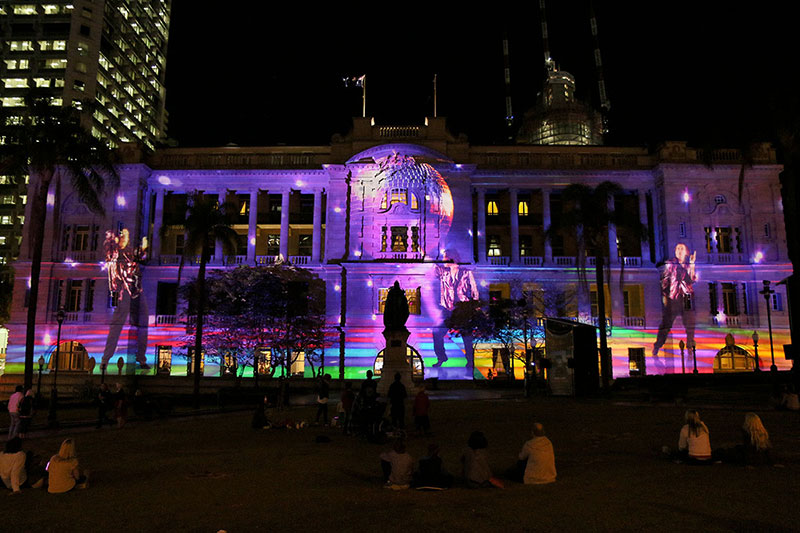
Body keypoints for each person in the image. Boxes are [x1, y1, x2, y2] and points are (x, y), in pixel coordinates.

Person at [653, 243, 696, 357]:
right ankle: (657, 345)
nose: (679, 251)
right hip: (674, 296)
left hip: (686, 296)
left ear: (686, 251)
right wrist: (664, 295)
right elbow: (665, 280)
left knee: (690, 322)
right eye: (677, 248)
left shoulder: (688, 265)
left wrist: (692, 265)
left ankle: (690, 346)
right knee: (666, 323)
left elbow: (692, 279)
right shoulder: (671, 263)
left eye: (682, 248)